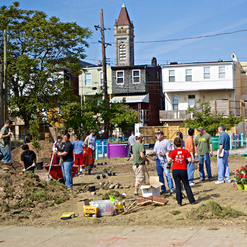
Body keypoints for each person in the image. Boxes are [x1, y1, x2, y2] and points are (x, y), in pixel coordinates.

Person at [168, 137, 197, 206]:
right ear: (181, 143)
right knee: (186, 185)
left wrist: (169, 156)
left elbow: (169, 160)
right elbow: (189, 160)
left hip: (175, 169)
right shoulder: (185, 151)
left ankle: (179, 202)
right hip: (183, 169)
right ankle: (192, 201)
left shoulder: (173, 152)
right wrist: (184, 160)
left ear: (174, 145)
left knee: (177, 186)